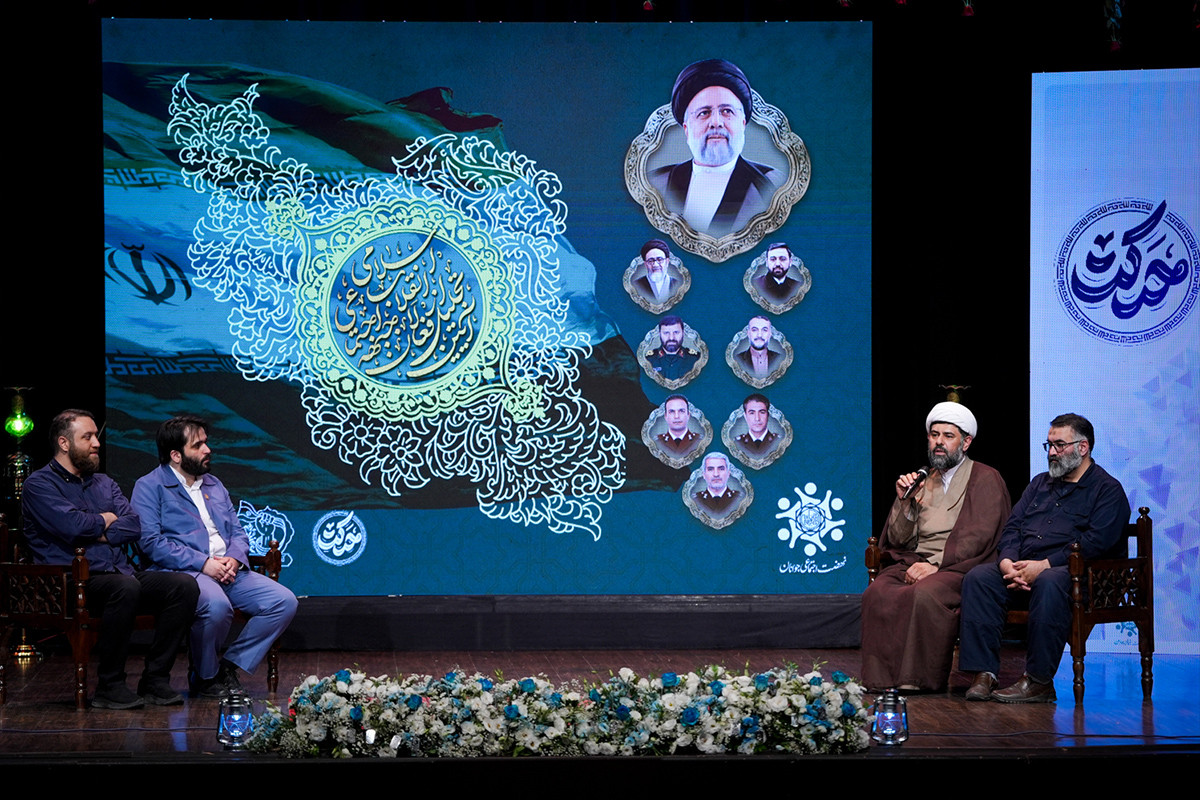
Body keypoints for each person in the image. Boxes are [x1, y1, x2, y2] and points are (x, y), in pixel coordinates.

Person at [21, 409, 198, 709]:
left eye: (96, 436)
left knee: (184, 586)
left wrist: (96, 530)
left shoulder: (104, 483)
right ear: (64, 443)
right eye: (87, 437)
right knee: (124, 587)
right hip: (70, 582)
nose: (97, 443)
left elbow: (133, 526)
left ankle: (155, 679)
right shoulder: (39, 485)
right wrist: (105, 519)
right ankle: (110, 685)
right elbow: (71, 527)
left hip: (119, 574)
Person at [960, 413, 1130, 703]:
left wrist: (1044, 566)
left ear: (1083, 447)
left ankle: (1039, 681)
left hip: (1081, 578)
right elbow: (1012, 528)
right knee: (979, 578)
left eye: (1059, 445)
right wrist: (1008, 563)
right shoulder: (1040, 484)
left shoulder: (1107, 490)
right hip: (1027, 571)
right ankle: (983, 674)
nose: (1051, 452)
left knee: (1050, 581)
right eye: (1049, 445)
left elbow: (1096, 543)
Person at [132, 415, 298, 698]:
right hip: (185, 572)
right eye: (198, 445)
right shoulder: (149, 486)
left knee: (283, 602)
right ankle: (205, 676)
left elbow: (238, 532)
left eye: (206, 442)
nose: (207, 450)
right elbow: (151, 543)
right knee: (216, 606)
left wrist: (234, 558)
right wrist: (204, 563)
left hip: (228, 569)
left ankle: (228, 667)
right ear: (176, 455)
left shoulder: (214, 484)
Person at [859, 402, 1011, 691]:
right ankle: (880, 680)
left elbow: (979, 536)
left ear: (966, 442)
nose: (939, 442)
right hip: (915, 561)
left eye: (948, 436)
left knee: (924, 593)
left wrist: (935, 565)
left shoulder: (985, 478)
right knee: (877, 592)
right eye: (934, 435)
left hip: (961, 567)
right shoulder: (923, 479)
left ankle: (916, 680)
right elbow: (899, 540)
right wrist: (905, 502)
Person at [650, 59, 779, 238]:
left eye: (727, 111)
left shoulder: (773, 185)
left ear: (742, 124)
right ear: (686, 129)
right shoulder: (655, 183)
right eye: (704, 113)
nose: (716, 122)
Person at [646, 315, 700, 381]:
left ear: (683, 333)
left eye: (676, 332)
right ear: (659, 334)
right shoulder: (648, 359)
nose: (671, 338)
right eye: (666, 333)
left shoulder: (696, 359)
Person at [633, 239, 681, 304]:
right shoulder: (636, 285)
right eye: (650, 261)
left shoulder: (678, 284)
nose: (655, 265)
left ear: (667, 262)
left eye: (660, 259)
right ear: (646, 264)